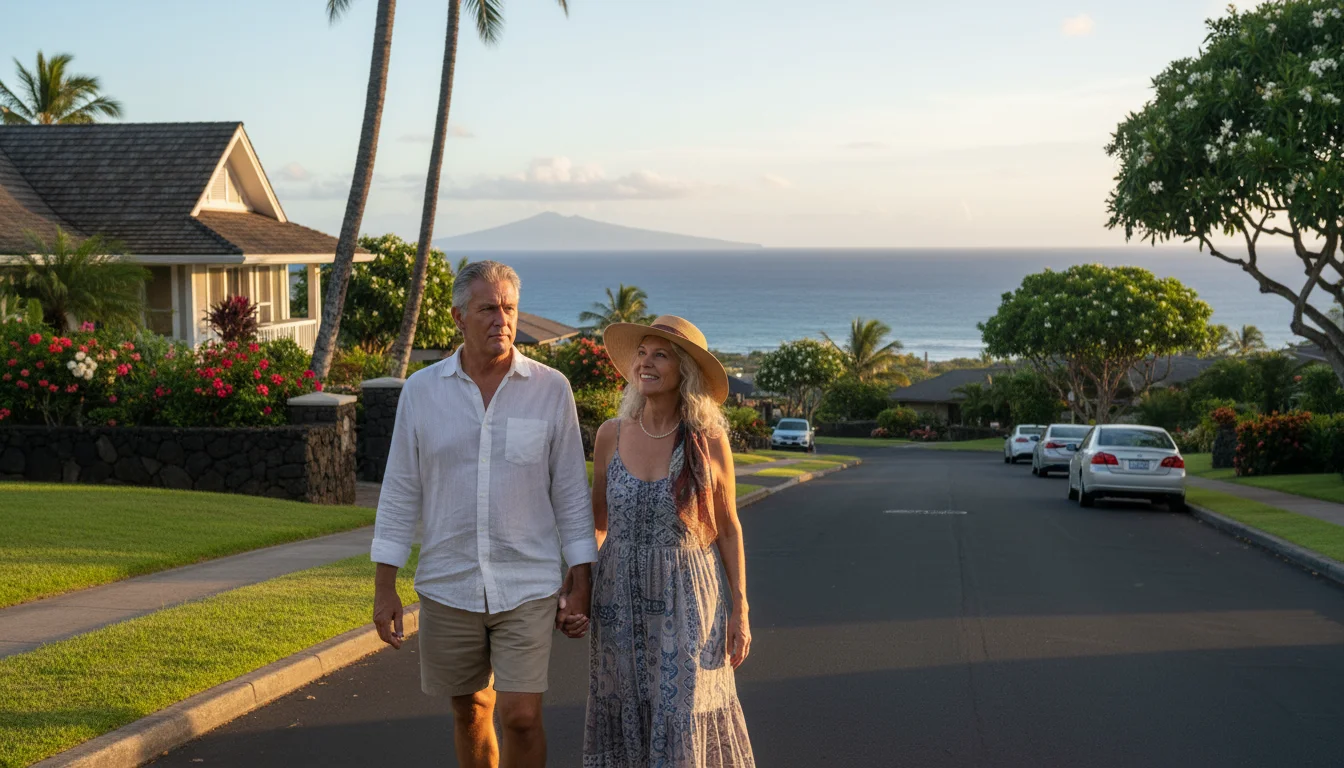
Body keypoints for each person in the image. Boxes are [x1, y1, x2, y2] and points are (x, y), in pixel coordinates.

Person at [371, 260, 598, 768]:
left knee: (520, 714)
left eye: (510, 308)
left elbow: (569, 491)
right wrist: (385, 587)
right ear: (458, 316)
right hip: (449, 582)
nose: (502, 320)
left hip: (529, 583)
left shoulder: (551, 388)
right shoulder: (422, 391)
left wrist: (580, 579)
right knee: (471, 709)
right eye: (488, 308)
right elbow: (400, 491)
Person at [561, 315, 755, 767]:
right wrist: (577, 587)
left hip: (688, 595)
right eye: (641, 353)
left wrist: (740, 609)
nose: (645, 363)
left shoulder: (708, 441)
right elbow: (597, 521)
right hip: (618, 599)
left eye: (660, 354)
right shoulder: (611, 434)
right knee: (624, 708)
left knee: (682, 709)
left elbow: (727, 528)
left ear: (683, 370)